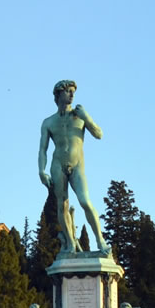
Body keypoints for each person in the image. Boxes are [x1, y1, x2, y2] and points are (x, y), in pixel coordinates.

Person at [38, 79, 110, 254]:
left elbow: (99, 134)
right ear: (58, 94)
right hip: (57, 166)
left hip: (77, 165)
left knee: (85, 201)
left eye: (73, 92)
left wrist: (87, 117)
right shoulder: (48, 122)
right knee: (62, 206)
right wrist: (41, 171)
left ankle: (100, 241)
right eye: (68, 91)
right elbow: (43, 149)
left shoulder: (80, 116)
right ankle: (70, 244)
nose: (72, 94)